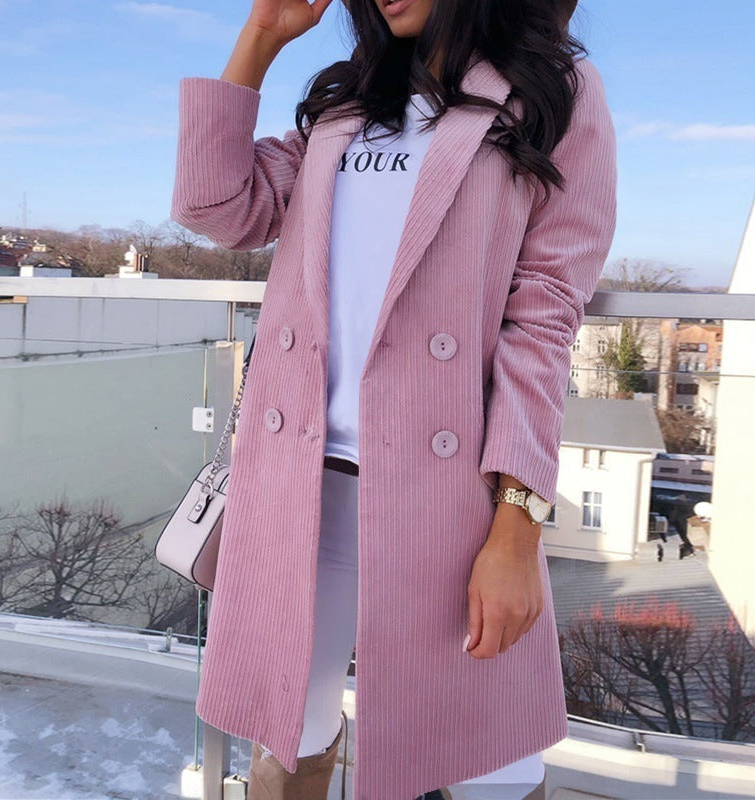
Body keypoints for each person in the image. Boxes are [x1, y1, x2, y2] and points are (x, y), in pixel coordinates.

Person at [170, 0, 616, 797]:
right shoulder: (348, 104)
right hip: (301, 480)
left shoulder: (552, 89)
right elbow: (218, 209)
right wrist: (261, 38)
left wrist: (517, 527)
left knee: (489, 761)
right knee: (289, 733)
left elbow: (546, 314)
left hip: (446, 493)